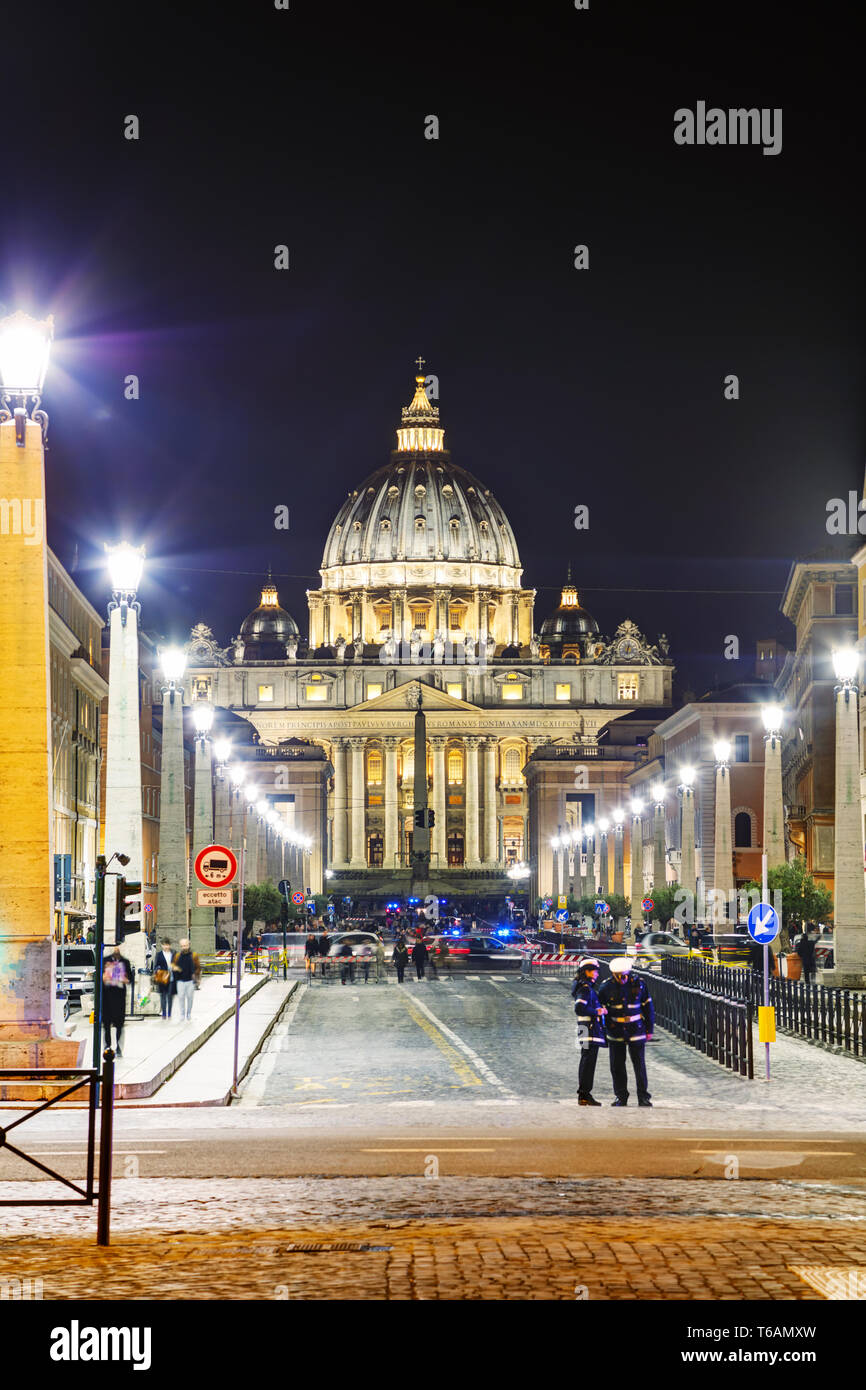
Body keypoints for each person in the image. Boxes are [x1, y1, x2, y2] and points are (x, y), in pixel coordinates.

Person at [598, 956, 654, 1107]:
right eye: (619, 976)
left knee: (639, 1065)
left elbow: (648, 1008)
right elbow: (601, 1012)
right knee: (617, 1066)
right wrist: (603, 1031)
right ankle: (621, 1096)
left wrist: (650, 1029)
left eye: (625, 975)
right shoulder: (605, 987)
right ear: (613, 974)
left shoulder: (639, 984)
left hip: (636, 1029)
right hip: (615, 1030)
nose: (622, 979)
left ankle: (643, 1097)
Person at [571, 956, 607, 1106]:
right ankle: (584, 1093)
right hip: (589, 1030)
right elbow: (579, 1008)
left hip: (584, 1029)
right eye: (595, 971)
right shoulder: (585, 989)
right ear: (587, 972)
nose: (597, 974)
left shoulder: (583, 986)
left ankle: (584, 1094)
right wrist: (597, 1011)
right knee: (588, 1062)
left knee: (586, 1060)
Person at [102, 944, 133, 1057]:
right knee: (106, 1024)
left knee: (119, 1024)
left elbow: (130, 979)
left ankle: (119, 1048)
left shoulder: (125, 962)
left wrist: (125, 978)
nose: (116, 949)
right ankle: (107, 1046)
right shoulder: (105, 961)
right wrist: (104, 977)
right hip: (107, 997)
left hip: (119, 997)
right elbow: (99, 978)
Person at [172, 938, 201, 1021]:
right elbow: (173, 965)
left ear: (189, 945)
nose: (184, 947)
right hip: (180, 981)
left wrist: (197, 978)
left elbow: (198, 967)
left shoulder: (194, 955)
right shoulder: (177, 956)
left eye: (185, 945)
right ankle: (182, 1013)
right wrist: (175, 969)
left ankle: (188, 1013)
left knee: (190, 998)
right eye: (182, 946)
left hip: (190, 981)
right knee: (181, 998)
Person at [153, 938, 176, 1020]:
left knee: (170, 996)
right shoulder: (159, 955)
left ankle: (169, 1012)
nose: (166, 946)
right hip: (162, 977)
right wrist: (158, 969)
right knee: (162, 996)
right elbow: (155, 965)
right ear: (162, 945)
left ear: (170, 945)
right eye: (164, 945)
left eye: (167, 945)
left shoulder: (174, 953)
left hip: (172, 978)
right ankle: (164, 1013)